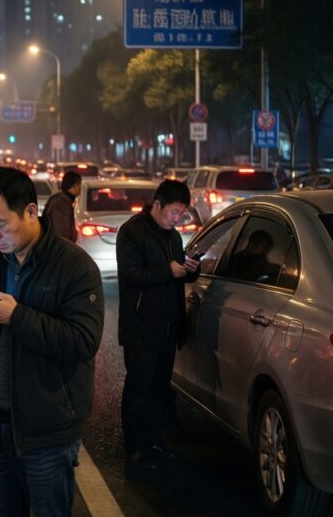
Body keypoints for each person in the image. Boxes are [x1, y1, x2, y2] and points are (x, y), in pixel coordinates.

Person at [0, 167, 104, 516]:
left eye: (0, 223)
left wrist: (16, 316)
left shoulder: (74, 265)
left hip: (46, 428)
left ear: (29, 211)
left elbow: (83, 341)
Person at [115, 179, 200, 480]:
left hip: (168, 326)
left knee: (160, 390)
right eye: (175, 212)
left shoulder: (173, 236)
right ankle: (135, 448)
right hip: (141, 325)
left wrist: (190, 269)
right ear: (158, 205)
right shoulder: (132, 232)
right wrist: (169, 271)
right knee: (139, 390)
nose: (177, 219)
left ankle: (155, 443)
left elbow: (177, 273)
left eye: (182, 214)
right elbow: (130, 274)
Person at [44, 171, 82, 242]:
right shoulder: (61, 203)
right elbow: (62, 234)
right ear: (74, 186)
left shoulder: (64, 201)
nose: (80, 188)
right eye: (79, 185)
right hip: (59, 249)